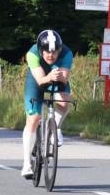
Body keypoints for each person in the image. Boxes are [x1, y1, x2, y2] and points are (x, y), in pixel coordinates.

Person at [21, 30, 72, 179]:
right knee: (33, 118)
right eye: (47, 52)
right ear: (40, 50)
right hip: (37, 80)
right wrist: (49, 76)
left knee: (64, 103)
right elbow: (41, 81)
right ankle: (26, 164)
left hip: (57, 78)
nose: (51, 55)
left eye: (55, 52)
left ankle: (55, 128)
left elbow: (64, 79)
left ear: (60, 50)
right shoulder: (32, 54)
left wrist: (58, 77)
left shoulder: (67, 54)